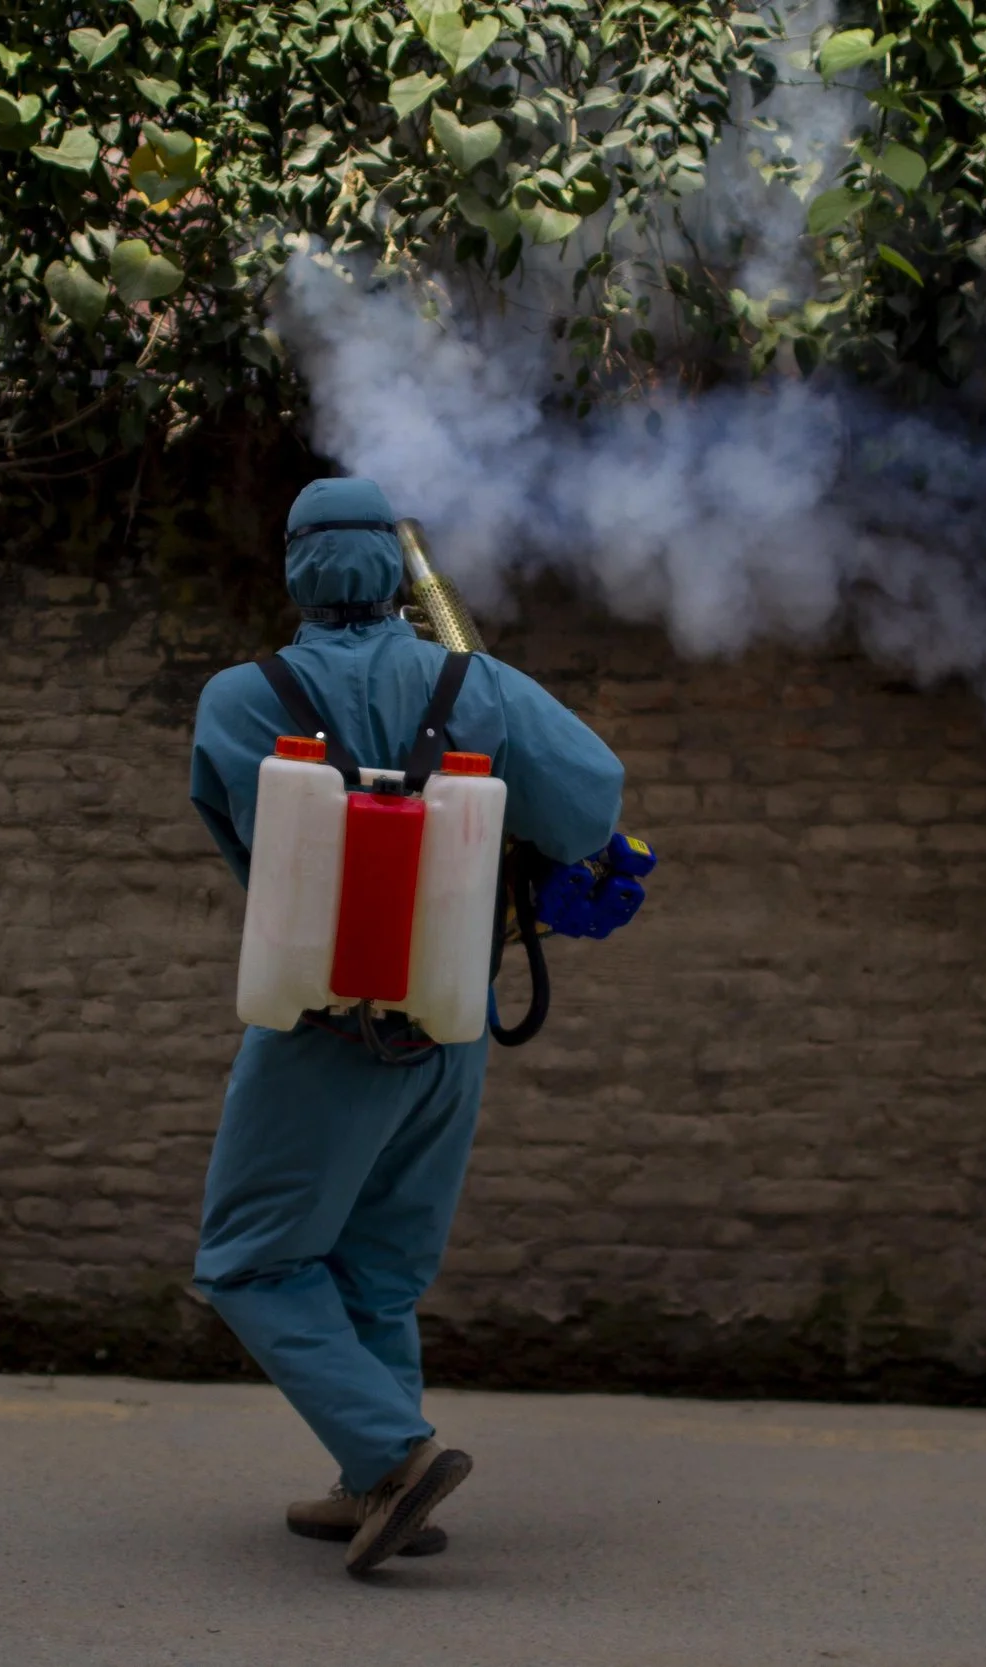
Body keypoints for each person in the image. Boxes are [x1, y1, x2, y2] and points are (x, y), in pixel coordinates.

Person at [187, 477, 626, 1576]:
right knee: (376, 1273)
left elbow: (244, 846)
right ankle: (369, 1484)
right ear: (390, 566)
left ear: (293, 566)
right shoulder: (480, 686)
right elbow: (591, 804)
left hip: (320, 1024)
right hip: (452, 1022)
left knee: (246, 1259)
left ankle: (392, 1450)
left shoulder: (241, 699)